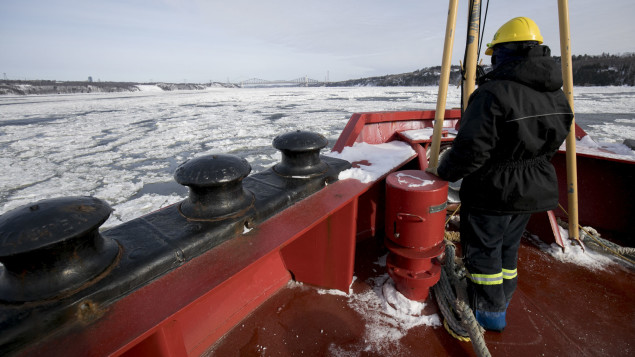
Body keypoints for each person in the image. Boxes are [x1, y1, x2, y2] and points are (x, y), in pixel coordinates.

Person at [428, 17, 573, 331]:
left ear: (506, 53)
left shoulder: (493, 94)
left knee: (483, 254)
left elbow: (471, 150)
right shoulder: (556, 93)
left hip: (493, 191)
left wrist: (443, 170)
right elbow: (557, 135)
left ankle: (489, 314)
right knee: (508, 246)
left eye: (494, 55)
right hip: (531, 190)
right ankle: (503, 297)